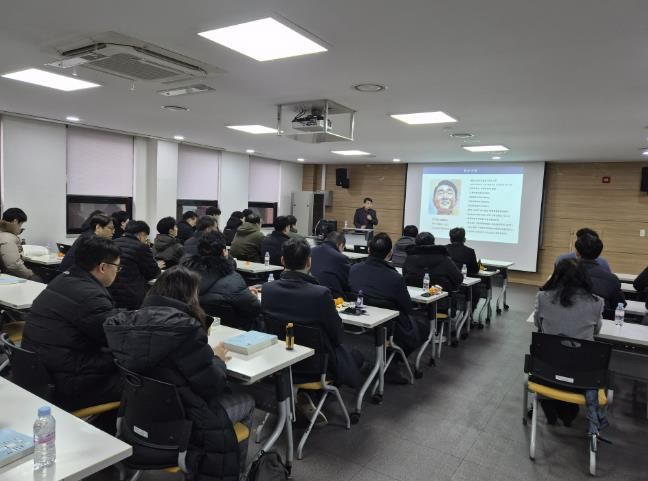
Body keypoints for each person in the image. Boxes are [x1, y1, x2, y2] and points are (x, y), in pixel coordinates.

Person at [104, 266, 255, 478]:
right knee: (247, 400)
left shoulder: (126, 326)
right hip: (185, 428)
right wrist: (216, 359)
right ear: (189, 297)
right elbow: (213, 385)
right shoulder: (186, 331)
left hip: (137, 419)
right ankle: (240, 473)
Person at [22, 236, 122, 411]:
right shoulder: (91, 295)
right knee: (140, 383)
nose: (118, 271)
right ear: (103, 267)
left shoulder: (63, 279)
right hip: (65, 384)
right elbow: (117, 340)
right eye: (118, 267)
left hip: (38, 371)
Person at [262, 238, 364, 391]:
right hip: (317, 366)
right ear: (309, 262)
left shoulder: (267, 289)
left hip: (280, 361)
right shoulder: (320, 294)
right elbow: (337, 336)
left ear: (282, 261)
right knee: (356, 356)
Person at [533, 258, 604, 426]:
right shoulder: (596, 302)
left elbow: (538, 324)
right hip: (582, 373)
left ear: (556, 275)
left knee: (550, 354)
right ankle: (568, 412)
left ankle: (549, 405)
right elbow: (596, 331)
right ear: (584, 277)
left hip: (546, 368)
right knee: (574, 362)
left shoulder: (543, 297)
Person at [349, 233, 427, 361]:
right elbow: (407, 308)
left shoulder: (353, 269)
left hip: (361, 321)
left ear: (369, 250)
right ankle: (396, 360)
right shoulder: (395, 277)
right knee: (422, 326)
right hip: (390, 328)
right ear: (390, 254)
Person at [182, 232, 261, 330]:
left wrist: (243, 291)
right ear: (224, 252)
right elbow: (254, 309)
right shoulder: (233, 280)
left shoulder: (184, 274)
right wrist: (250, 295)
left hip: (192, 328)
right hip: (231, 331)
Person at [109, 221, 162, 309]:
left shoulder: (112, 243)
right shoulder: (141, 247)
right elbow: (153, 273)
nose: (146, 239)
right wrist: (158, 268)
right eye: (146, 236)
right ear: (141, 234)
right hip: (131, 293)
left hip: (110, 292)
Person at [575, 233, 624, 319]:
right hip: (600, 322)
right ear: (598, 254)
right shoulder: (612, 279)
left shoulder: (564, 274)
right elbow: (619, 305)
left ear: (577, 252)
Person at [310, 231, 351, 299]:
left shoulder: (310, 251)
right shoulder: (341, 258)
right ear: (341, 245)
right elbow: (347, 283)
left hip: (311, 293)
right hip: (331, 297)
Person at [0, 208, 35, 280]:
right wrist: (30, 274)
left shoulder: (3, 234)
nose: (20, 228)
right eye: (20, 225)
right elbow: (14, 265)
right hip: (6, 277)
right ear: (15, 221)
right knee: (38, 278)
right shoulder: (7, 237)